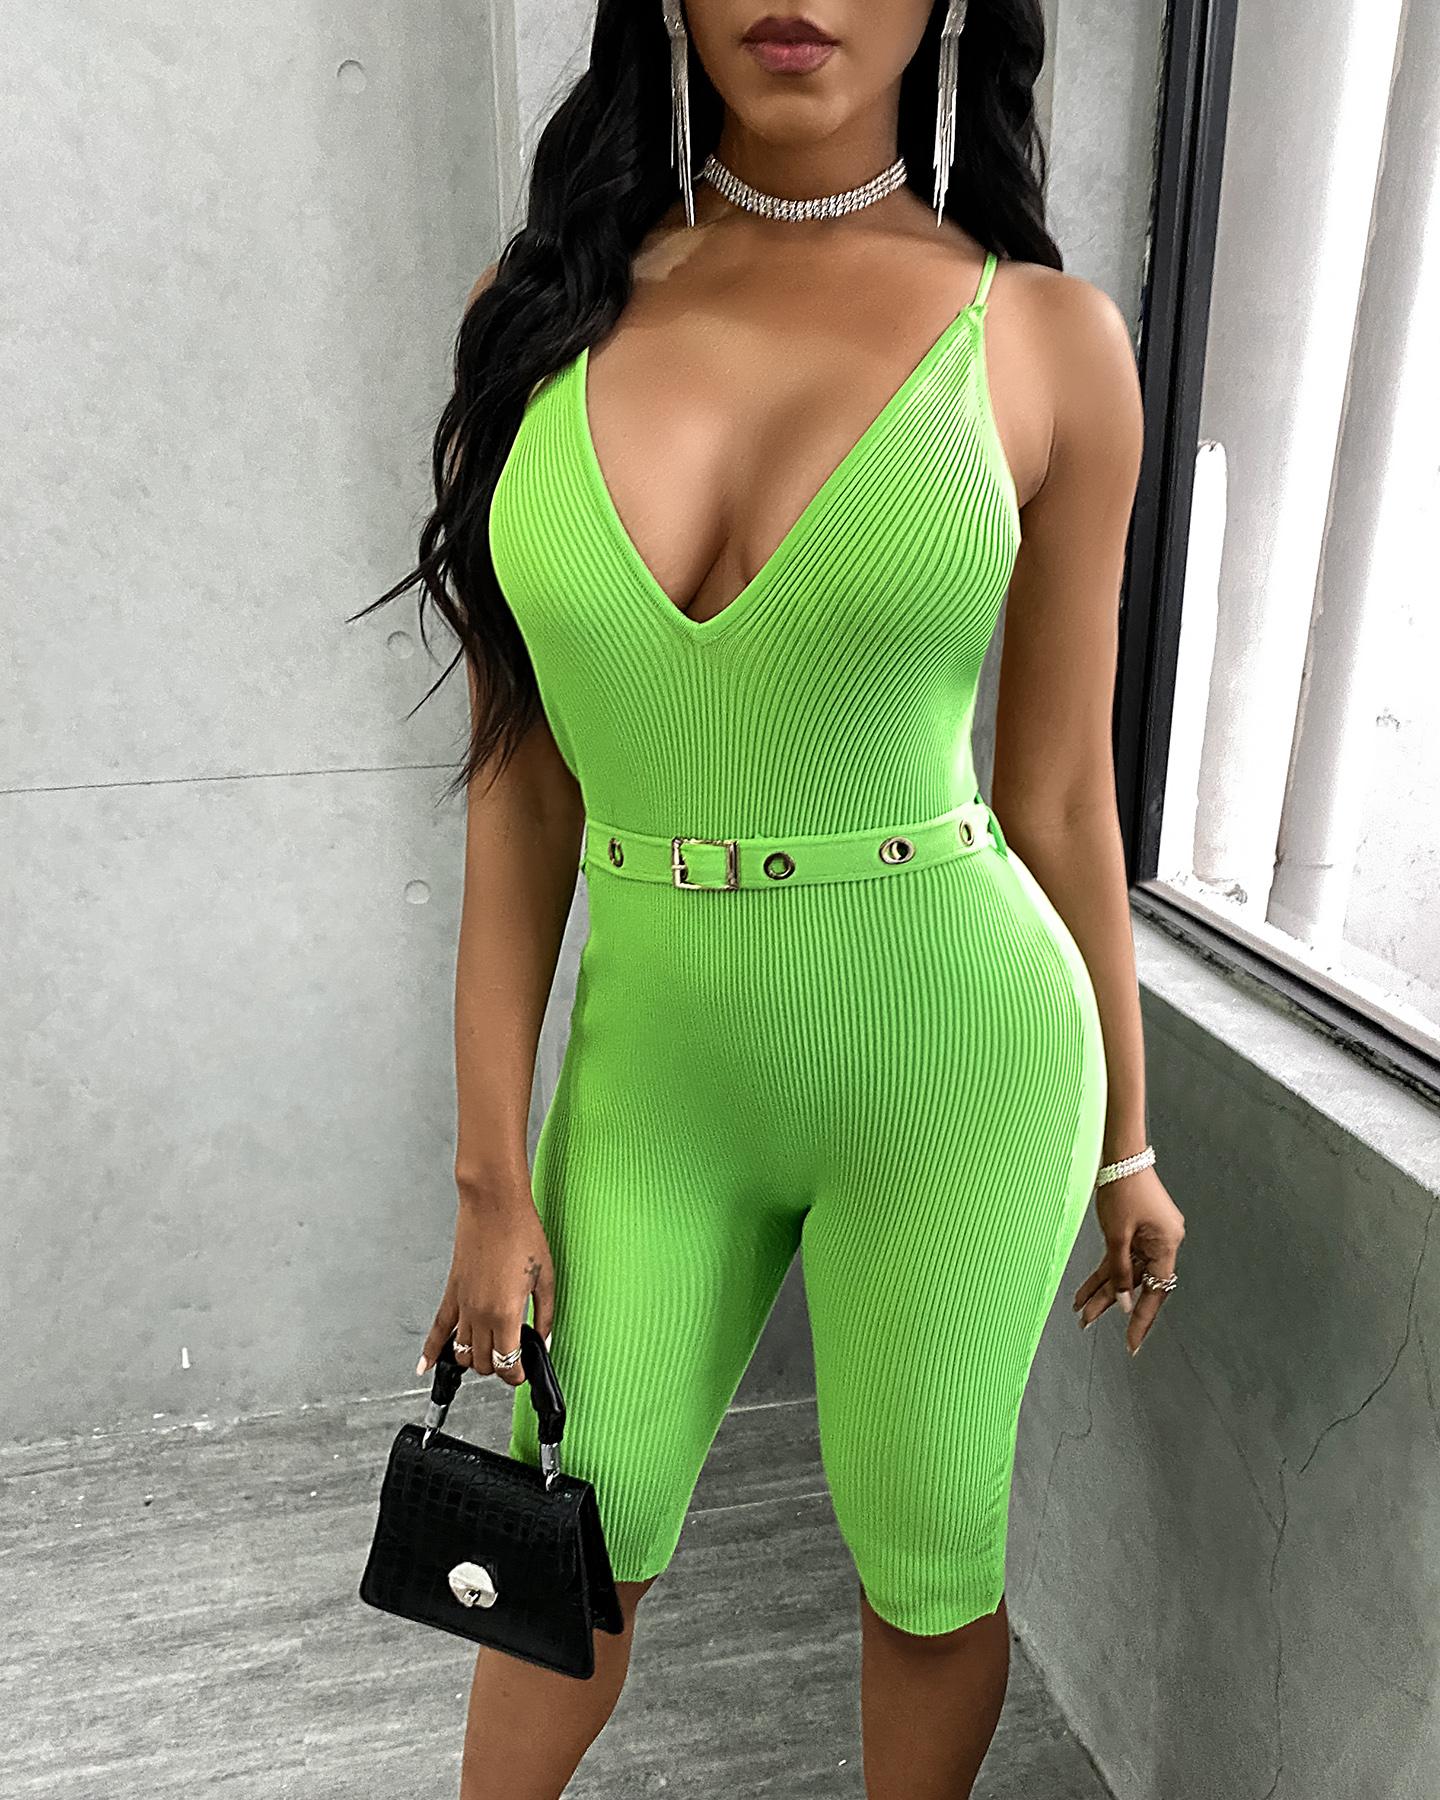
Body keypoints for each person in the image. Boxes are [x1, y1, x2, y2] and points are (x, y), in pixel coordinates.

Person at [363, 2, 1187, 1794]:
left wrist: (1127, 1143)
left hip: (962, 1062)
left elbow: (1059, 795)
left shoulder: (1049, 340)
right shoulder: (540, 313)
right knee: (580, 1529)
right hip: (658, 1075)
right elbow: (522, 793)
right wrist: (490, 1179)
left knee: (927, 1555)